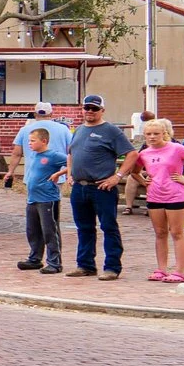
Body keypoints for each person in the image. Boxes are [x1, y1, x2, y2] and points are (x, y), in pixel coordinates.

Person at [66, 94, 134, 281]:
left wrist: (117, 176)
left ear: (102, 110)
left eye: (94, 108)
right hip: (80, 188)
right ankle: (85, 265)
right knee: (84, 227)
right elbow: (71, 153)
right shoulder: (79, 130)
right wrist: (70, 173)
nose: (90, 111)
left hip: (102, 187)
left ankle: (112, 267)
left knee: (108, 226)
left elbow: (131, 154)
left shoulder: (111, 131)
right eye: (87, 108)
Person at [129, 116, 184, 282]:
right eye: (149, 134)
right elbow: (135, 171)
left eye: (156, 133)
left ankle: (179, 271)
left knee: (177, 233)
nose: (152, 137)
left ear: (164, 133)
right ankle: (161, 268)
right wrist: (143, 181)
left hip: (176, 196)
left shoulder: (176, 149)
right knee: (160, 233)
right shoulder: (144, 153)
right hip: (154, 196)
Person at [14, 127, 67, 275]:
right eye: (29, 141)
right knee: (33, 230)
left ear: (44, 141)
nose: (29, 144)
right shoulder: (34, 155)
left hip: (47, 199)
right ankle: (35, 258)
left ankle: (55, 262)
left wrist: (59, 173)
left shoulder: (53, 155)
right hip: (32, 199)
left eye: (33, 141)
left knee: (50, 230)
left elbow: (72, 163)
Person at [1, 101, 72, 188]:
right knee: (53, 199)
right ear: (51, 114)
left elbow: (17, 154)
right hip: (55, 175)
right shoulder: (63, 129)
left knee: (33, 199)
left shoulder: (24, 130)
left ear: (35, 114)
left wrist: (10, 171)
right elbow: (71, 151)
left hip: (32, 175)